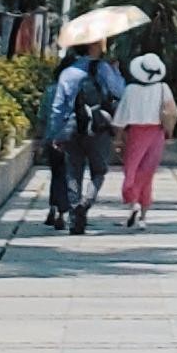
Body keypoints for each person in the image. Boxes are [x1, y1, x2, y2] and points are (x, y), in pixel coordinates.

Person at [40, 40, 126, 233]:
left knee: (73, 172)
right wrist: (117, 72)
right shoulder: (104, 69)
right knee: (99, 171)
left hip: (72, 128)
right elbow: (120, 92)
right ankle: (86, 202)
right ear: (93, 46)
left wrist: (55, 133)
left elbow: (58, 107)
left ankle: (73, 212)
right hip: (98, 127)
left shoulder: (67, 73)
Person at [116, 51, 177, 228]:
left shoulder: (130, 90)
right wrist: (169, 132)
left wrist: (118, 139)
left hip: (136, 133)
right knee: (147, 173)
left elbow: (121, 117)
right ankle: (143, 217)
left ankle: (133, 202)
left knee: (131, 171)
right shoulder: (163, 88)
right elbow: (172, 112)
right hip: (157, 134)